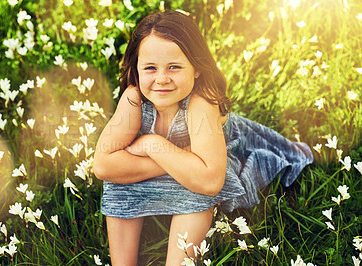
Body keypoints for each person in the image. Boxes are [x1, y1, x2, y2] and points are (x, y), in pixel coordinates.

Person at [93, 10, 313, 265]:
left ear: (197, 68)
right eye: (150, 68)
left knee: (197, 192)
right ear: (137, 69)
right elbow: (103, 165)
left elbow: (210, 181)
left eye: (174, 67)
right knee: (116, 183)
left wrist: (153, 144)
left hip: (223, 159)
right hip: (187, 164)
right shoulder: (134, 98)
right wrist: (171, 159)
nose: (161, 79)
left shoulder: (200, 103)